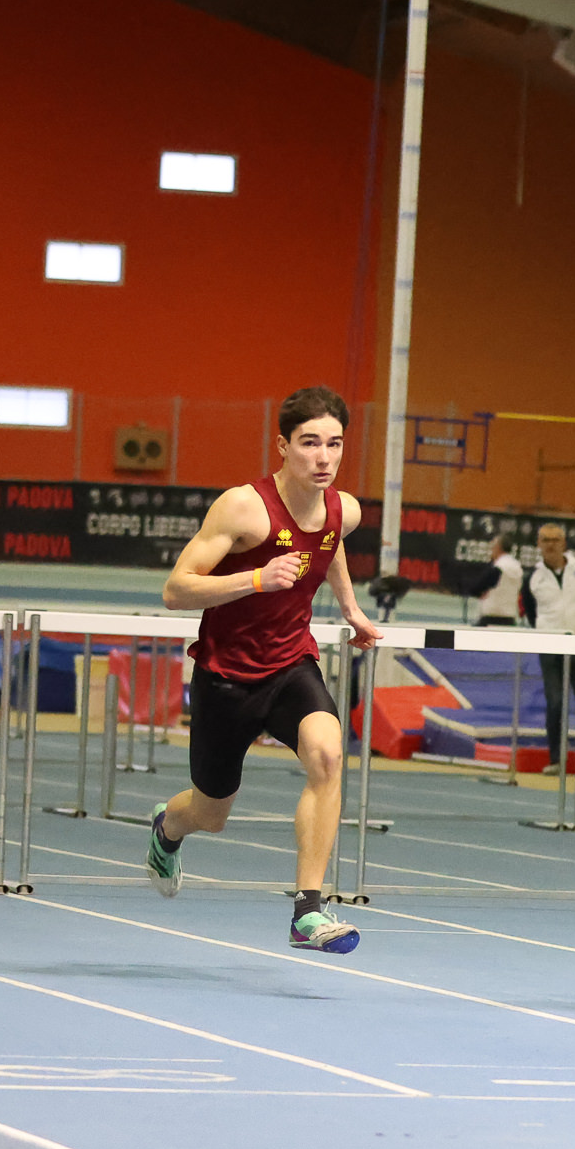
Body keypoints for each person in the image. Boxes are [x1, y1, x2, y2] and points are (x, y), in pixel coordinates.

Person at [142, 385, 382, 952]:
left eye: (334, 444)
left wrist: (350, 608)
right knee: (210, 813)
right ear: (282, 446)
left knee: (328, 754)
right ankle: (167, 827)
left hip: (292, 664)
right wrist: (256, 578)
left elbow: (330, 543)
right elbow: (176, 590)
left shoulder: (343, 509)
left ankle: (308, 911)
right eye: (309, 443)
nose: (323, 457)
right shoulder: (242, 507)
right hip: (226, 677)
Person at [520, 522, 575, 771]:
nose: (550, 545)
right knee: (555, 702)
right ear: (538, 544)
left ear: (564, 543)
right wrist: (547, 633)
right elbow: (531, 613)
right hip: (550, 647)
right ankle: (557, 759)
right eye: (545, 540)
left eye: (555, 540)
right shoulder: (532, 578)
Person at [472, 532, 522, 626]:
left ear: (498, 548)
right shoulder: (518, 567)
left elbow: (476, 589)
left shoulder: (498, 568)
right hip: (510, 618)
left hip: (491, 618)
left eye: (492, 547)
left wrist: (480, 593)